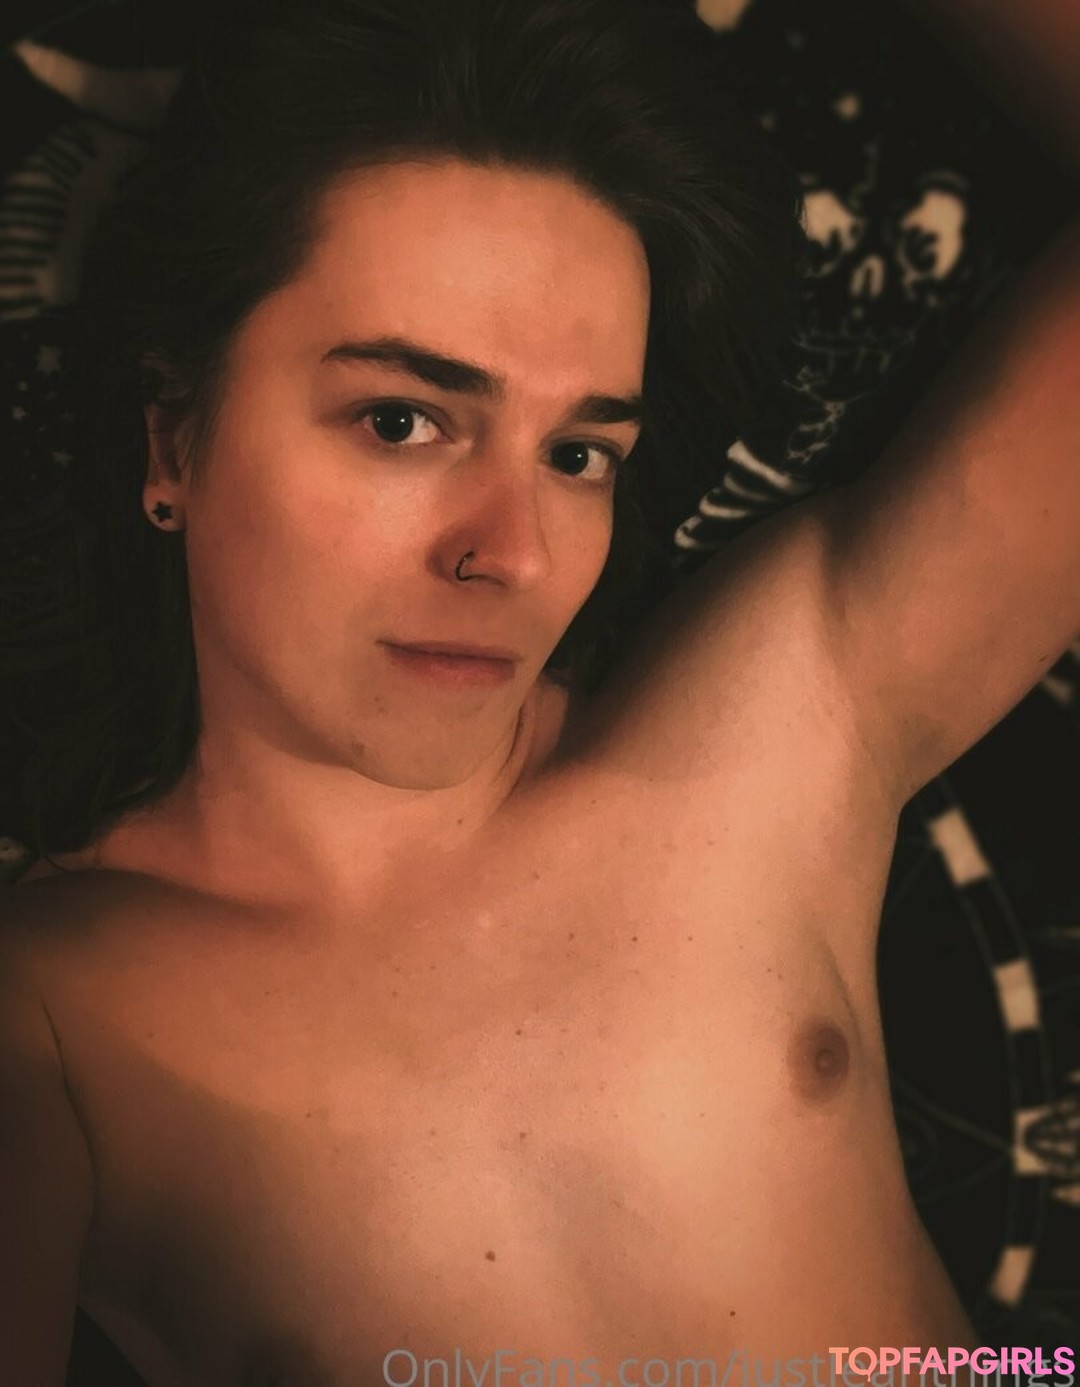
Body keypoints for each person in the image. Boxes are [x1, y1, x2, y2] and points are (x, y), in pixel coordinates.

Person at [1, 0, 1078, 1380]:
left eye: (579, 456)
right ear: (173, 439)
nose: (511, 553)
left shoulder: (782, 720)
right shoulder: (57, 1019)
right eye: (403, 421)